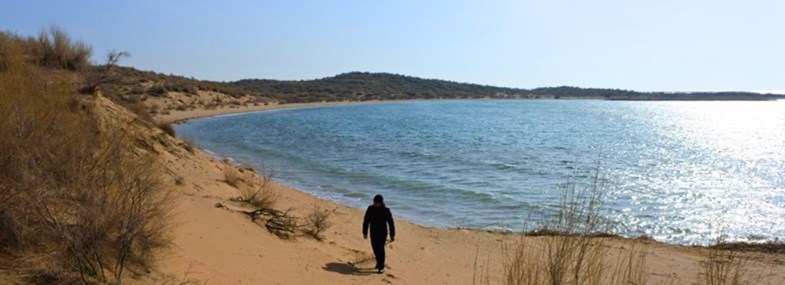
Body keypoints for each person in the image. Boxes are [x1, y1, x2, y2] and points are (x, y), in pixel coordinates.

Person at [362, 194, 395, 274]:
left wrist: (392, 234)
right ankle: (378, 262)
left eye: (377, 203)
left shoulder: (385, 210)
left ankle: (381, 266)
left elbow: (391, 223)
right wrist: (365, 232)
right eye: (374, 202)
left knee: (380, 248)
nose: (375, 204)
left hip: (382, 233)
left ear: (381, 203)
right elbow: (366, 221)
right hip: (373, 232)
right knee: (375, 248)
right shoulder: (370, 209)